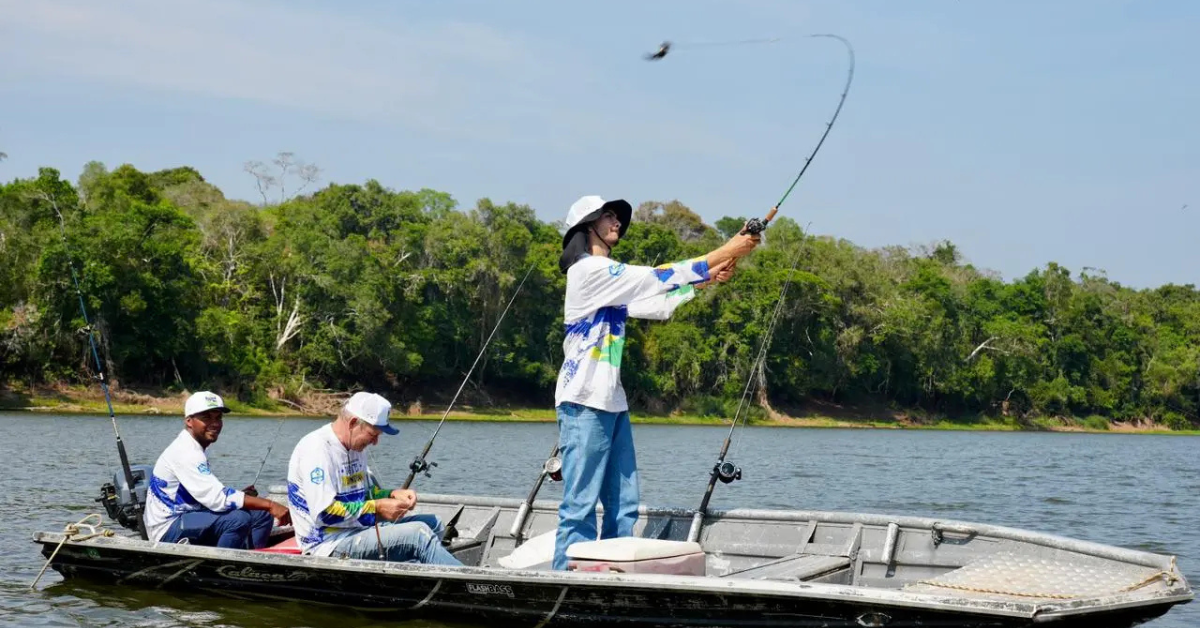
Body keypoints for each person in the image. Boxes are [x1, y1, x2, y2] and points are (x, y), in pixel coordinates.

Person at [552, 195, 760, 570]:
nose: (617, 221)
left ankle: (613, 574)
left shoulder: (609, 278)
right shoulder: (587, 272)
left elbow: (655, 302)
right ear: (587, 226)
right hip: (582, 402)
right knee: (580, 504)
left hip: (612, 403)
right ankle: (564, 578)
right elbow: (655, 275)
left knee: (624, 505)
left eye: (616, 216)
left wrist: (705, 279)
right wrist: (724, 250)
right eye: (608, 216)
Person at [286, 391, 462, 565]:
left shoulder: (355, 447)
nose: (376, 442)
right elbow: (324, 513)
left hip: (358, 531)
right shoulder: (316, 450)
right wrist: (377, 508)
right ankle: (466, 585)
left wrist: (392, 495)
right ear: (354, 423)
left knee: (434, 524)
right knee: (418, 535)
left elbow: (368, 494)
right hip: (327, 545)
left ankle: (426, 578)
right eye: (373, 435)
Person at [144, 391, 290, 549]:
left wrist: (249, 500)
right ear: (189, 421)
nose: (214, 423)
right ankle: (221, 567)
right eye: (206, 417)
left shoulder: (195, 447)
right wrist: (270, 504)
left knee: (261, 515)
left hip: (189, 515)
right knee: (238, 519)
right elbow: (217, 498)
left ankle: (252, 561)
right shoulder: (186, 452)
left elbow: (208, 495)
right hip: (168, 528)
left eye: (218, 417)